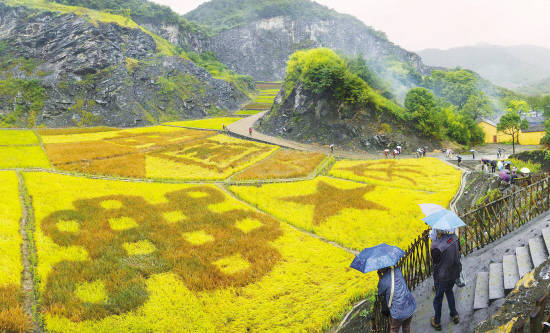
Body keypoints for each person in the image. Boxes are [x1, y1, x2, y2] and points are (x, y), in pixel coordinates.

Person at [431, 230, 462, 331]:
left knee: (438, 299)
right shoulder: (454, 238)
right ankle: (454, 314)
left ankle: (437, 322)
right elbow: (459, 250)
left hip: (442, 277)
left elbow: (435, 263)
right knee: (449, 292)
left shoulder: (436, 246)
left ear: (438, 231)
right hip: (454, 272)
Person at [377, 266, 417, 333]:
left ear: (381, 269)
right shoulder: (397, 270)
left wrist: (380, 277)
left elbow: (380, 292)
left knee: (394, 329)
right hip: (410, 305)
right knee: (406, 326)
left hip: (398, 311)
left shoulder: (383, 281)